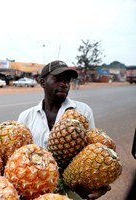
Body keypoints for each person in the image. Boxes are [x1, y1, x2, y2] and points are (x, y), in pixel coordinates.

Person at [17, 60, 110, 199]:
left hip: (72, 191)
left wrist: (99, 183)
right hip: (34, 190)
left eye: (67, 80)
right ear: (42, 82)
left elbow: (92, 150)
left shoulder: (83, 111)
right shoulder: (26, 117)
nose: (64, 84)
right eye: (57, 79)